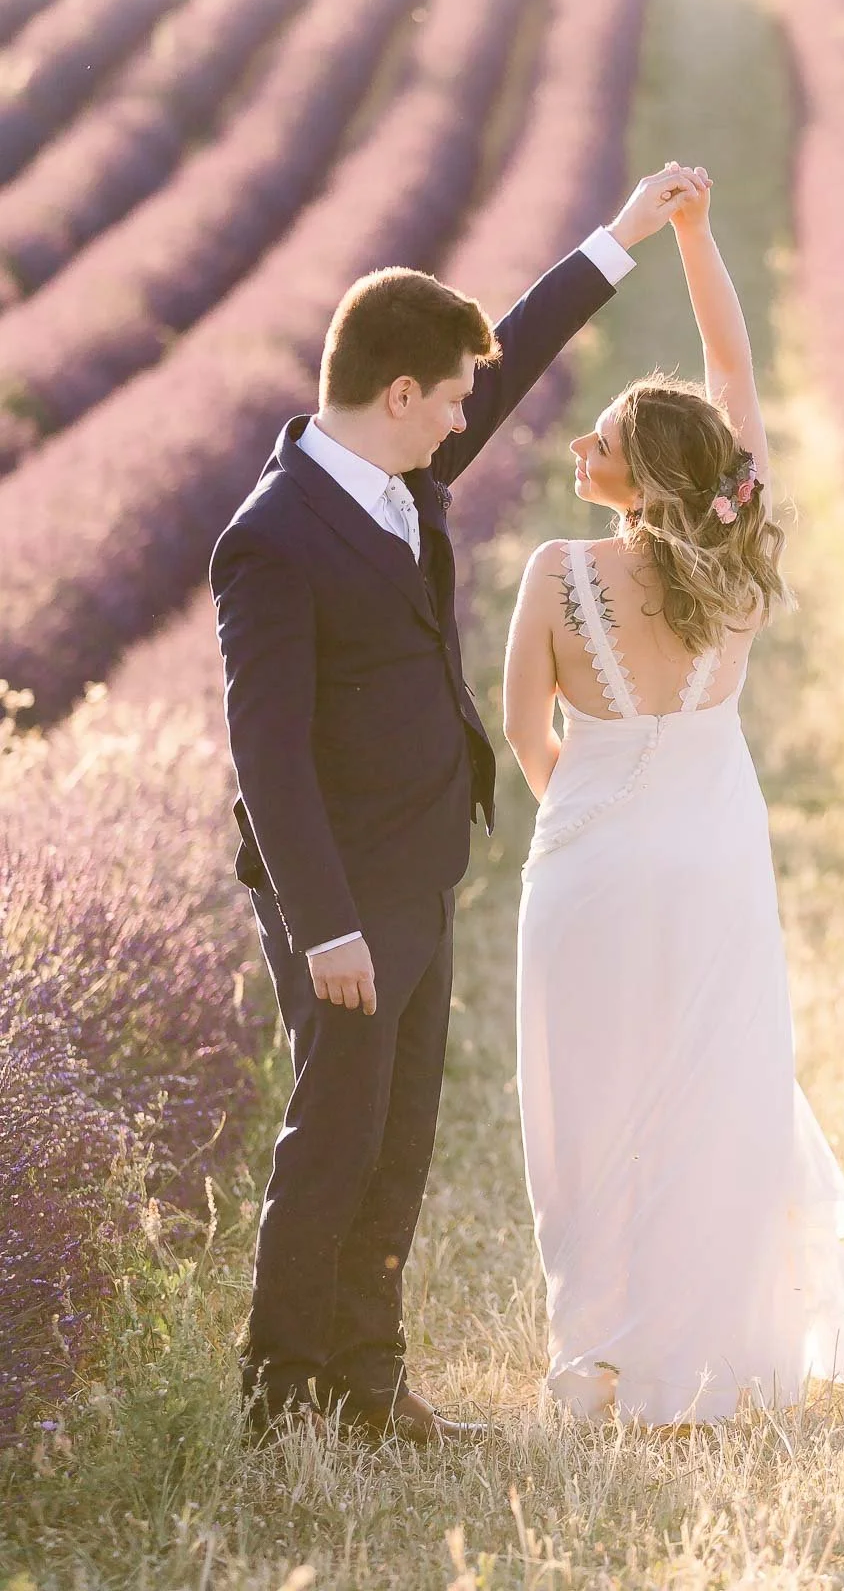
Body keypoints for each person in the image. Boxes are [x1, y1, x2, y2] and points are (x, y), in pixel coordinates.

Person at [210, 165, 698, 1447]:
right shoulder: (272, 537)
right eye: (450, 403)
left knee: (399, 1139)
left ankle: (368, 1389)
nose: (463, 425)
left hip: (414, 867)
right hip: (340, 893)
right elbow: (262, 750)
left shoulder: (396, 478)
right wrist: (323, 926)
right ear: (399, 394)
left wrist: (619, 238)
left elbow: (516, 351)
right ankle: (280, 1407)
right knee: (333, 1139)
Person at [503, 164, 844, 1426]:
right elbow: (731, 371)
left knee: (589, 1106)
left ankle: (606, 1358)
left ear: (633, 475)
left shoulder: (553, 575)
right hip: (715, 867)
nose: (583, 444)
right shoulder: (734, 567)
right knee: (713, 1096)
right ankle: (708, 1353)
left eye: (604, 439)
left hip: (586, 866)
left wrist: (588, 817)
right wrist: (697, 234)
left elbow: (526, 735)